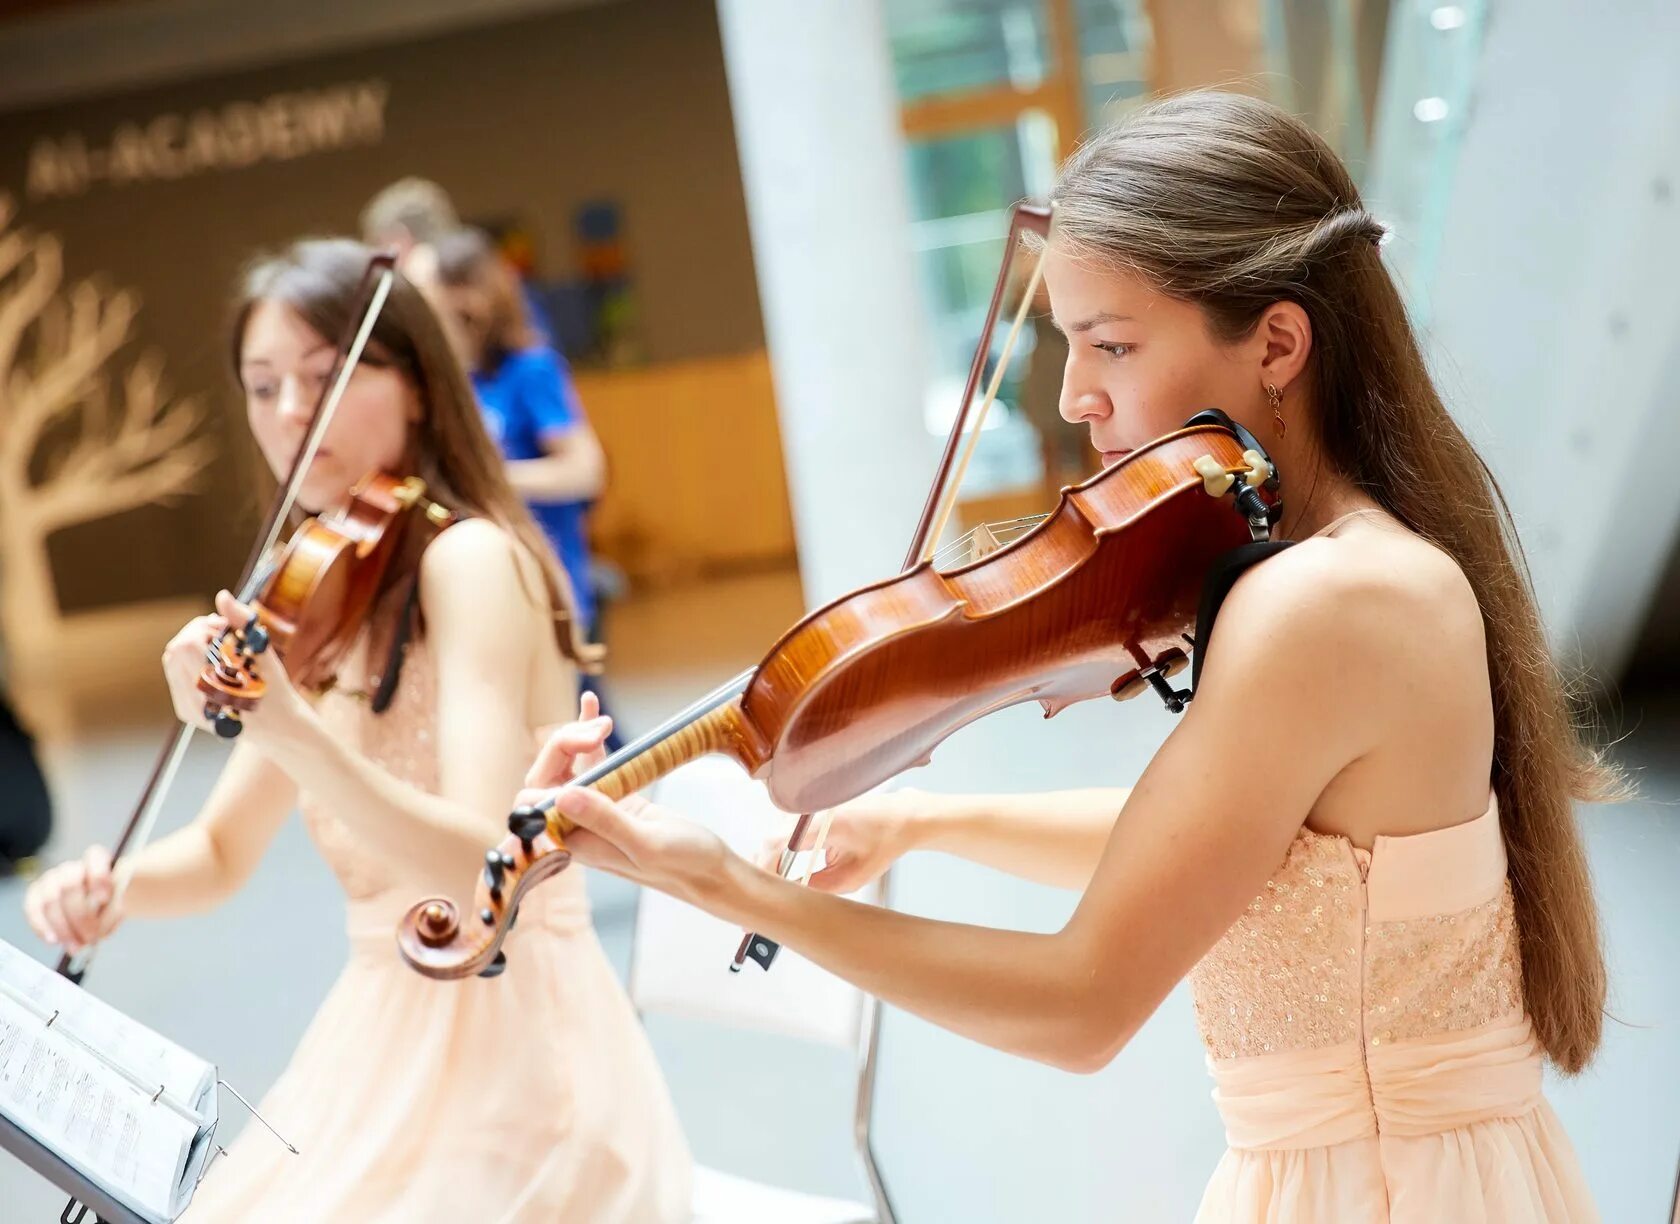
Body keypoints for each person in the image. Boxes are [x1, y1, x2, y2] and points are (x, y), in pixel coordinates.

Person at [527, 92, 1607, 1222]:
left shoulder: (1328, 601)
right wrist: (921, 822)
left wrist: (728, 887)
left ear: (1278, 344)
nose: (1071, 394)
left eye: (1113, 344)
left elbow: (1080, 1006)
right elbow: (1235, 850)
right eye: (1065, 342)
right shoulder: (1341, 564)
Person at [22, 239, 689, 1223]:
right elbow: (218, 850)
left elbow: (481, 871)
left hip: (521, 1056)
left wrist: (287, 726)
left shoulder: (468, 561)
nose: (292, 415)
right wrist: (107, 890)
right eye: (263, 385)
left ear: (419, 388)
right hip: (382, 1031)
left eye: (329, 380)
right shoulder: (322, 587)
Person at [418, 226, 623, 748]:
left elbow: (584, 469)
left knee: (584, 734)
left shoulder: (529, 369)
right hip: (496, 579)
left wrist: (487, 477)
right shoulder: (457, 383)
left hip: (552, 578)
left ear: (466, 296)